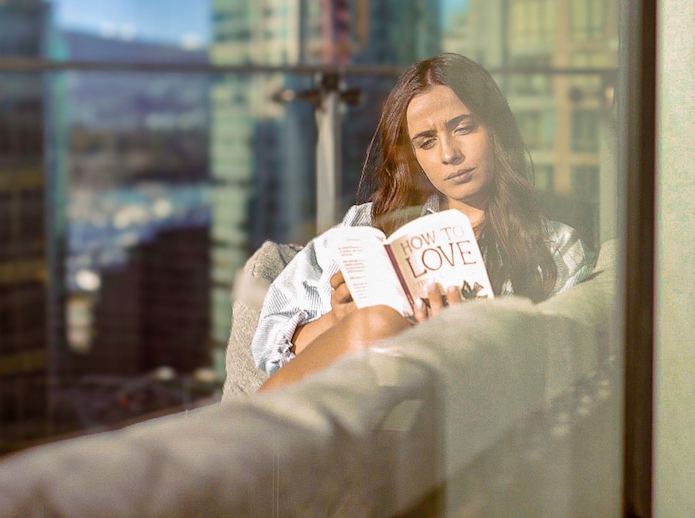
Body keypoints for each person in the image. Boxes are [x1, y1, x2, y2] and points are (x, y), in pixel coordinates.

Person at [253, 53, 594, 392]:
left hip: (459, 405)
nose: (449, 154)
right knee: (377, 323)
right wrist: (337, 320)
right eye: (427, 142)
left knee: (381, 325)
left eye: (463, 128)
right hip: (350, 398)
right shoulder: (366, 225)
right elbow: (268, 346)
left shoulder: (554, 247)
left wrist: (466, 342)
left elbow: (560, 369)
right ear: (414, 155)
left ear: (495, 129)